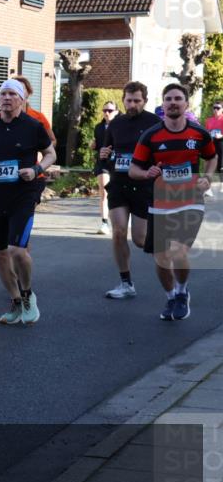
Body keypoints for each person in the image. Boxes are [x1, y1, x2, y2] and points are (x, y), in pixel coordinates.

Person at [129, 83, 217, 321]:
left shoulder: (199, 134)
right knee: (161, 258)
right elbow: (134, 169)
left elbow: (212, 157)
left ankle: (181, 292)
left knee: (178, 250)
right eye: (168, 99)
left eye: (178, 98)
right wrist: (145, 174)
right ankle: (170, 296)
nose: (173, 102)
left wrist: (207, 178)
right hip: (160, 202)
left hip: (190, 200)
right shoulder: (151, 136)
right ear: (163, 104)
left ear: (186, 103)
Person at [0, 79, 56, 325]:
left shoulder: (33, 126)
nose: (6, 98)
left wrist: (36, 168)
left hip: (23, 194)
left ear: (22, 99)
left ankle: (28, 293)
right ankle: (15, 301)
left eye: (12, 94)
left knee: (17, 250)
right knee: (0, 254)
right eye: (3, 93)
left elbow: (51, 153)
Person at [98, 82, 161, 299]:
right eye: (128, 100)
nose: (132, 104)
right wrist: (104, 154)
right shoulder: (115, 123)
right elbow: (106, 152)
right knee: (118, 232)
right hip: (119, 184)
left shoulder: (154, 123)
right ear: (123, 100)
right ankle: (126, 283)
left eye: (137, 101)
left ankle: (170, 257)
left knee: (141, 240)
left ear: (144, 101)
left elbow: (161, 153)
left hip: (144, 185)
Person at [92, 101, 117, 235]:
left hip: (119, 163)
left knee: (119, 192)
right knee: (104, 191)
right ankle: (104, 223)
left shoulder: (122, 125)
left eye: (110, 110)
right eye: (105, 110)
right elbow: (97, 143)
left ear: (117, 112)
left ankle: (125, 214)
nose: (107, 113)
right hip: (103, 162)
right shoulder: (98, 127)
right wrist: (93, 145)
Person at [204, 101, 223, 195]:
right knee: (208, 165)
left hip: (221, 143)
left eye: (218, 108)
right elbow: (207, 131)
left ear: (222, 109)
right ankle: (208, 188)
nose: (215, 110)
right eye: (214, 108)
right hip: (211, 143)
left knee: (220, 166)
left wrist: (222, 135)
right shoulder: (209, 120)